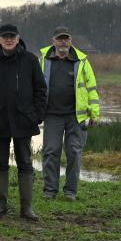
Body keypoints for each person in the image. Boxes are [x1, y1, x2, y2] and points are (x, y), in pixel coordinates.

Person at [0, 24, 46, 221]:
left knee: (25, 162)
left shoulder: (30, 60)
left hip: (24, 120)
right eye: (5, 37)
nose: (8, 40)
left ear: (18, 38)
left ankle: (27, 208)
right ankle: (1, 205)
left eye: (12, 37)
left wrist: (37, 115)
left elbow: (41, 89)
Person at [39, 26, 100, 201]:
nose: (63, 41)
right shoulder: (43, 60)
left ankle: (70, 191)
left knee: (74, 153)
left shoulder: (82, 61)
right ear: (53, 41)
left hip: (76, 116)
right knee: (51, 152)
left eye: (66, 38)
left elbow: (92, 89)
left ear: (71, 41)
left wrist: (94, 113)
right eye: (60, 38)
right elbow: (36, 86)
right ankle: (50, 190)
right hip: (51, 115)